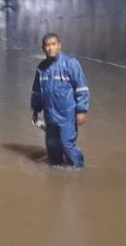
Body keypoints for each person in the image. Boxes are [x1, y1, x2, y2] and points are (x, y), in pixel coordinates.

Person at [31, 33, 90, 168]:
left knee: (67, 144)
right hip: (50, 115)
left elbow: (81, 88)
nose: (50, 48)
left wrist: (81, 110)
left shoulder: (71, 64)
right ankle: (56, 170)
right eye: (47, 45)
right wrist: (35, 110)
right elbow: (36, 92)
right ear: (43, 48)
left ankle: (79, 168)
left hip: (67, 114)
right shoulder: (41, 68)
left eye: (53, 44)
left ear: (59, 45)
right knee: (52, 146)